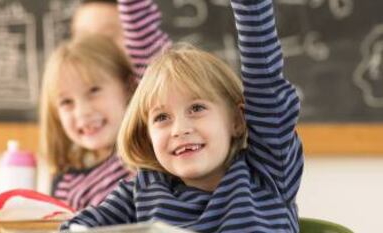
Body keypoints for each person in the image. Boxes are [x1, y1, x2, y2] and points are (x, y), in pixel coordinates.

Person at [61, 0, 304, 232]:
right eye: (162, 118)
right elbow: (78, 227)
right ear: (147, 135)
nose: (179, 129)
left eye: (197, 109)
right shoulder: (142, 191)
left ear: (237, 121)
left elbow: (265, 80)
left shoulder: (267, 171)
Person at [39, 0, 170, 210]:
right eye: (66, 102)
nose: (83, 112)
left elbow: (145, 39)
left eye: (94, 91)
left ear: (127, 86)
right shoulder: (66, 184)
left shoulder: (145, 141)